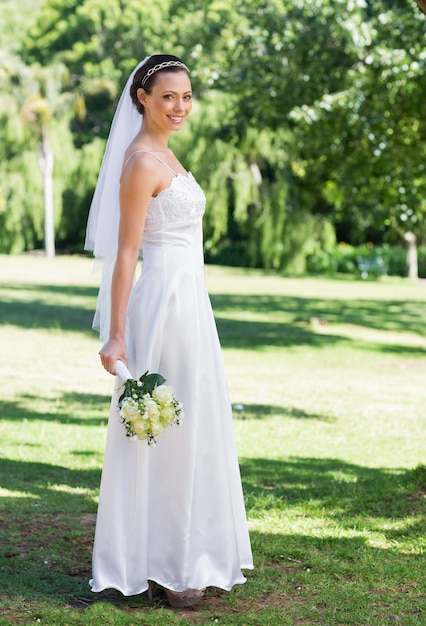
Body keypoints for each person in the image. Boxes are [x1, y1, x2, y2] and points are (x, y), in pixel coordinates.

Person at [84, 54, 253, 609]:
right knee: (163, 431)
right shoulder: (139, 161)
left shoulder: (168, 154)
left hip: (191, 308)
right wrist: (117, 335)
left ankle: (188, 552)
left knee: (191, 424)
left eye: (185, 96)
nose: (178, 107)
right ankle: (163, 563)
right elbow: (126, 252)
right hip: (160, 306)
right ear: (142, 98)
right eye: (167, 97)